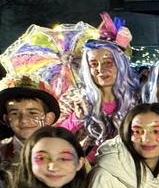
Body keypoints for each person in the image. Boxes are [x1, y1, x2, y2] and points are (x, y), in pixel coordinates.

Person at [59, 13, 138, 156]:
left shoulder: (137, 98)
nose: (101, 70)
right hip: (84, 171)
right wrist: (76, 118)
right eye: (94, 64)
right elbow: (53, 136)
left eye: (108, 62)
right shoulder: (74, 99)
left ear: (121, 65)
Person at [0, 74, 61, 167]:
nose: (23, 120)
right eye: (14, 114)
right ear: (7, 119)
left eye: (32, 113)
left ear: (48, 118)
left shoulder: (65, 151)